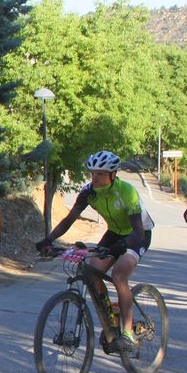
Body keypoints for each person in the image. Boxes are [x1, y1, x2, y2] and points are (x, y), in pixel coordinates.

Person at [35, 150, 154, 352]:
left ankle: (127, 333)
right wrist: (49, 239)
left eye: (100, 174)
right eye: (92, 173)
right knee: (92, 271)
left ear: (113, 175)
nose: (95, 178)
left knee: (119, 275)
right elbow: (69, 220)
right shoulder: (89, 192)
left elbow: (138, 231)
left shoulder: (127, 192)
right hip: (114, 233)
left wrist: (121, 247)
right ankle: (111, 318)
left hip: (137, 235)